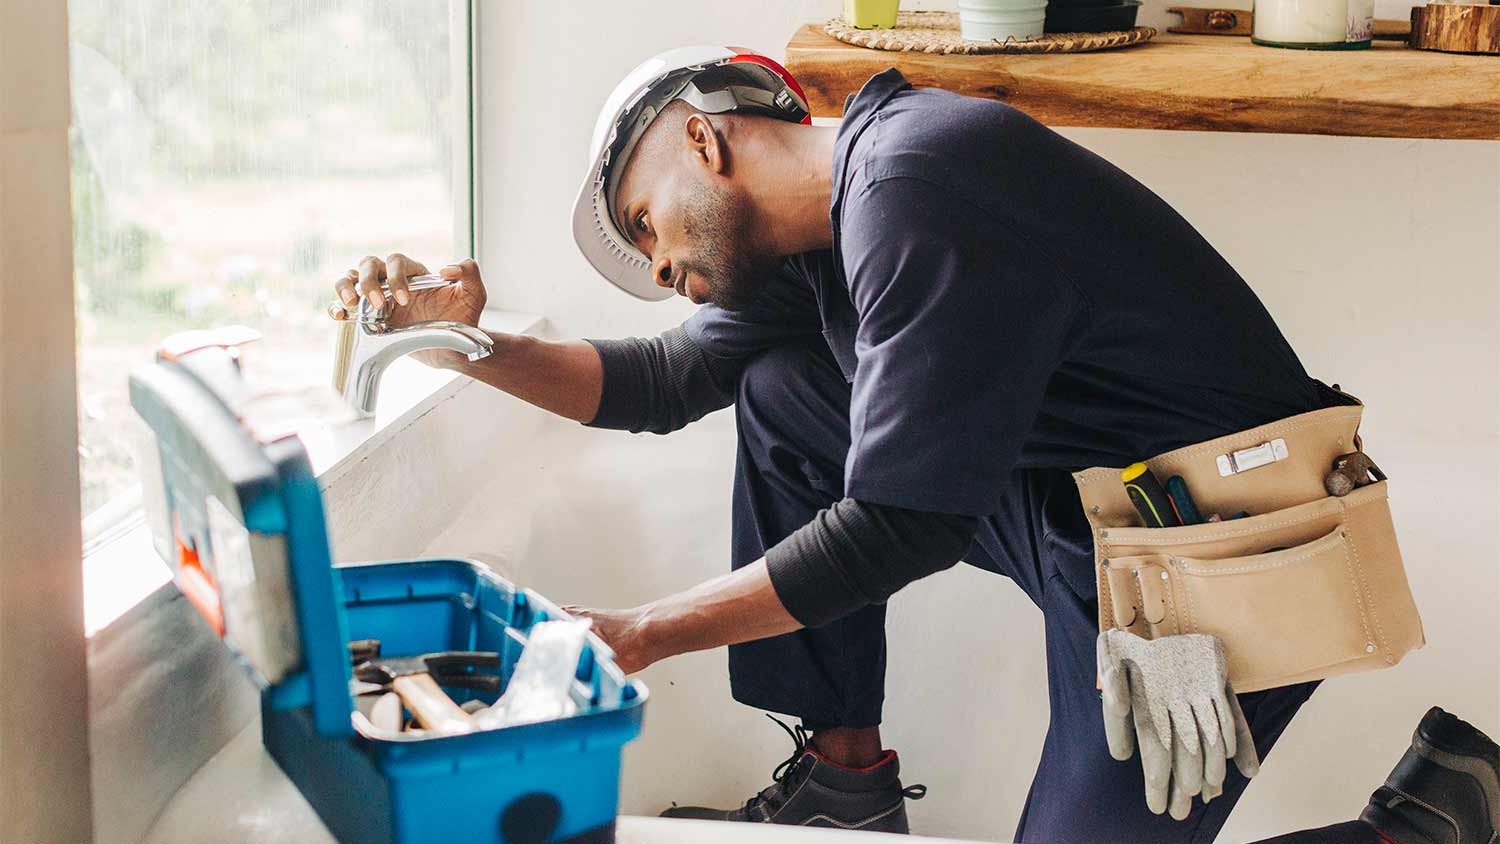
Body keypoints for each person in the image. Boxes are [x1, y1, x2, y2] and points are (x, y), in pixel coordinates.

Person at [330, 49, 1499, 843]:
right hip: (1093, 526)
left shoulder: (924, 181)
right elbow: (657, 382)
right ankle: (847, 779)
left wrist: (636, 632)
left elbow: (905, 520)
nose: (657, 270)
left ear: (704, 137)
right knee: (788, 391)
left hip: (1227, 558)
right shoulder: (822, 243)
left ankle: (1425, 822)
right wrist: (457, 340)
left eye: (645, 224)